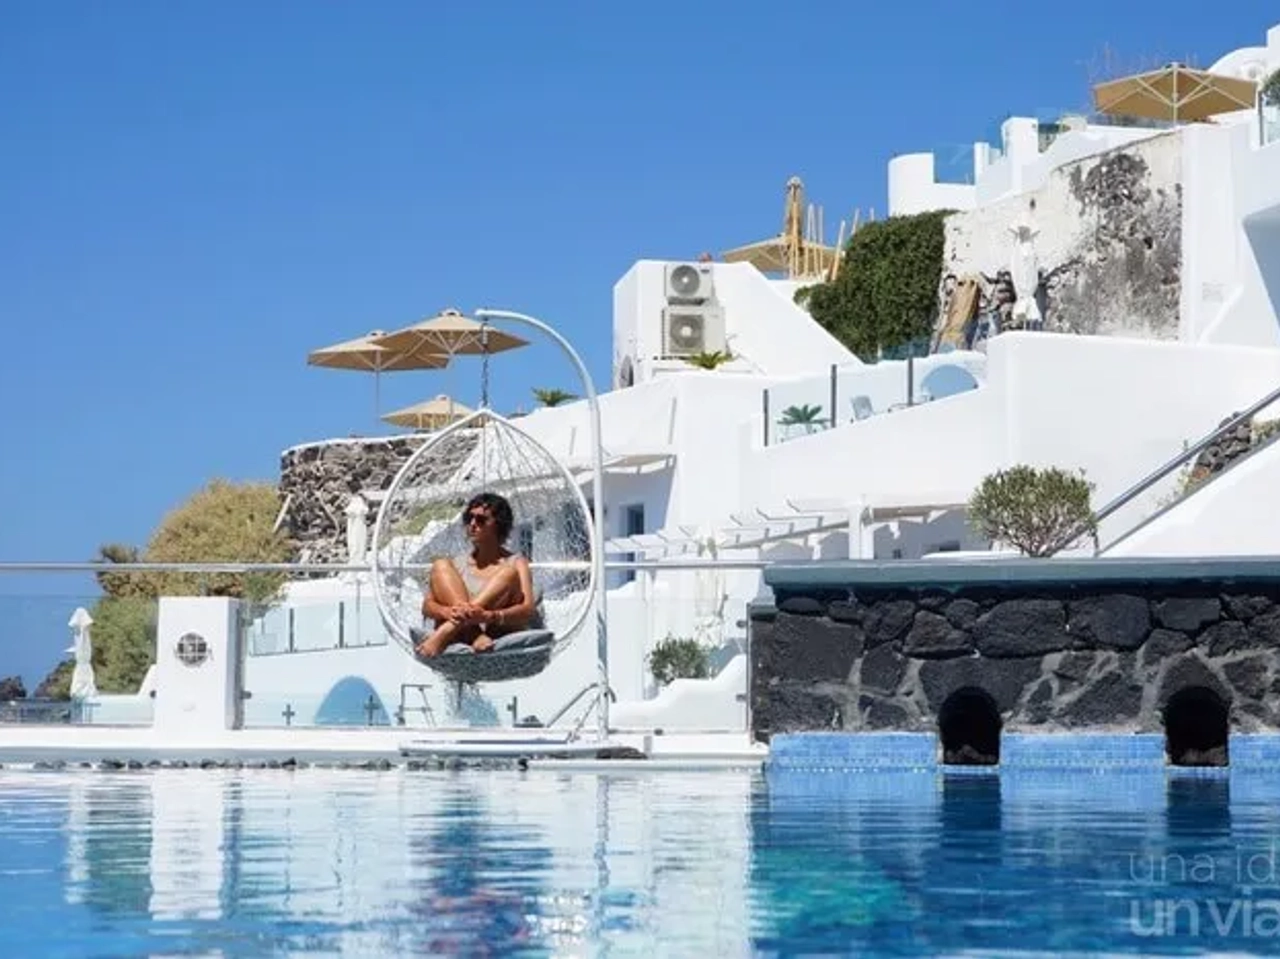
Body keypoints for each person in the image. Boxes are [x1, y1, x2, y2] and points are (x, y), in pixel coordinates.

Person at [416, 492, 539, 658]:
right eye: (469, 518)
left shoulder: (516, 562)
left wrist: (489, 616)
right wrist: (447, 613)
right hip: (469, 638)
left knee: (509, 573)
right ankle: (474, 633)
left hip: (497, 632)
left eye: (481, 520)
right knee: (440, 565)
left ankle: (449, 630)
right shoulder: (457, 564)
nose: (473, 524)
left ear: (498, 525)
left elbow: (527, 610)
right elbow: (427, 607)